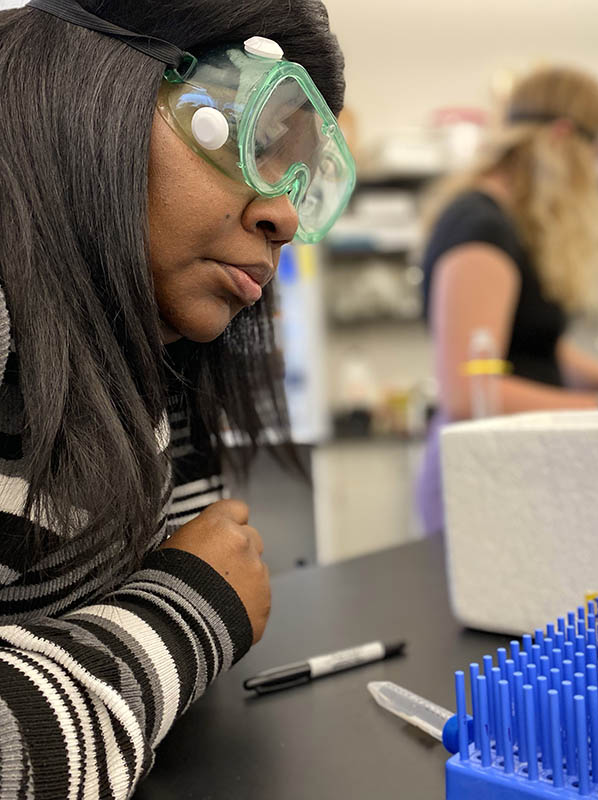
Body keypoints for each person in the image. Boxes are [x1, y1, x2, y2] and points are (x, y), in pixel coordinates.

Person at [0, 0, 354, 796]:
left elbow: (186, 543)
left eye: (301, 174)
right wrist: (188, 614)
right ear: (92, 87)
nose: (285, 215)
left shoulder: (153, 329)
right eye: (248, 141)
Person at [416, 66, 598, 535]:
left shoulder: (511, 224)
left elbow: (537, 347)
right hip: (483, 474)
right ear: (562, 137)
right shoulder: (480, 228)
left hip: (511, 464)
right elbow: (469, 394)